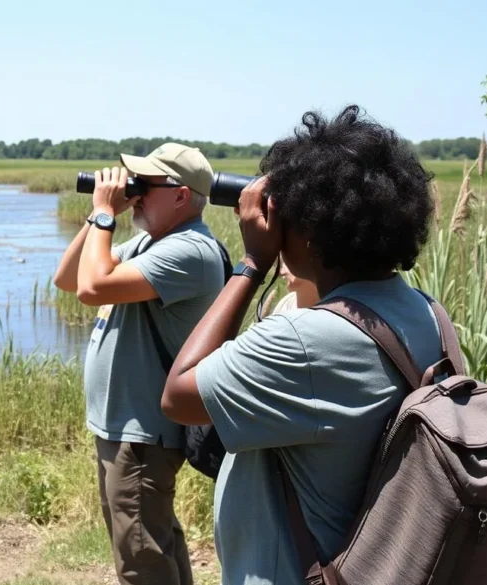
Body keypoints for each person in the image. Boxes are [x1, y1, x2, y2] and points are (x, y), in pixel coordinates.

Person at [160, 105, 440, 585]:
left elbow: (179, 396)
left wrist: (251, 262)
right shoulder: (426, 312)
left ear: (309, 229)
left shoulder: (306, 339)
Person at [52, 143, 227, 585]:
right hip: (125, 428)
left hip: (142, 433)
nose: (136, 192)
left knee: (140, 559)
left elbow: (94, 287)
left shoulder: (190, 251)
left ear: (182, 196)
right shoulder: (152, 242)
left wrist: (107, 213)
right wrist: (98, 216)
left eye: (146, 185)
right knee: (154, 544)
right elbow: (69, 279)